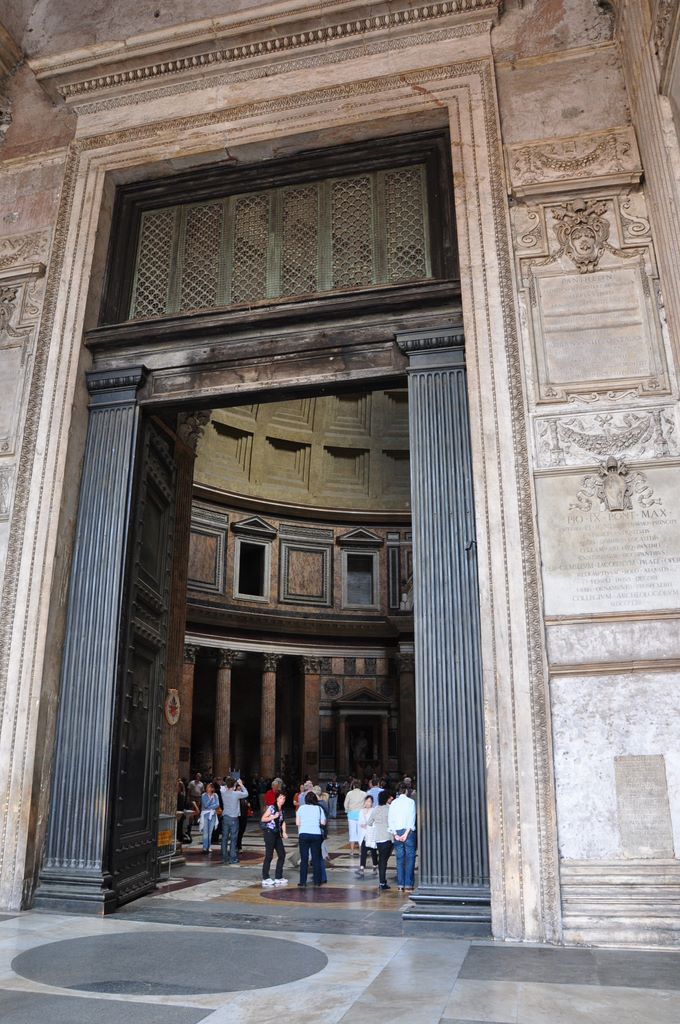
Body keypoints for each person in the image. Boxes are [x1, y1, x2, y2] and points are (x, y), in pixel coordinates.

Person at [388, 783, 416, 890]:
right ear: (406, 791)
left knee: (399, 859)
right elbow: (411, 819)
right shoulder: (411, 802)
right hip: (408, 832)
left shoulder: (393, 803)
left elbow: (390, 820)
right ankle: (408, 884)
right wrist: (406, 834)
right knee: (410, 858)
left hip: (397, 832)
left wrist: (395, 834)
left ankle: (400, 885)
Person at [296, 791, 326, 887]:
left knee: (304, 859)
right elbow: (323, 822)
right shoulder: (319, 808)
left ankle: (303, 882)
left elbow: (297, 823)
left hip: (303, 834)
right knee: (316, 858)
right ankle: (317, 881)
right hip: (316, 834)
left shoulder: (301, 808)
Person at [260, 791, 289, 886]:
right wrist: (272, 817)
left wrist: (284, 832)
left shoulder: (282, 810)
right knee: (269, 855)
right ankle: (265, 877)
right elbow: (263, 818)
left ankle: (278, 876)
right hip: (269, 833)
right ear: (277, 799)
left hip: (277, 834)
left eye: (284, 798)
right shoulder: (272, 808)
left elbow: (283, 821)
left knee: (282, 854)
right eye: (281, 798)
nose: (282, 800)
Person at [220, 775, 249, 865]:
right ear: (234, 785)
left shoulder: (223, 792)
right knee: (233, 839)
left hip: (225, 817)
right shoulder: (236, 794)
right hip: (233, 818)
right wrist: (241, 784)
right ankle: (232, 858)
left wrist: (230, 783)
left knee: (224, 838)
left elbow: (223, 786)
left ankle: (224, 858)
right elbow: (246, 793)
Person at [368, 790, 394, 890]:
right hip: (388, 837)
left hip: (378, 838)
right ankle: (382, 882)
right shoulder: (390, 809)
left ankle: (382, 882)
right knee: (384, 860)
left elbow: (369, 822)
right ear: (386, 798)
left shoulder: (375, 809)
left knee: (382, 860)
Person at [355, 794, 378, 877]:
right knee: (363, 851)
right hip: (364, 834)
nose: (368, 803)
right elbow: (359, 822)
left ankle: (375, 866)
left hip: (371, 833)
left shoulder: (374, 810)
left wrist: (368, 825)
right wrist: (362, 825)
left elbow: (375, 822)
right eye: (367, 801)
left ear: (372, 803)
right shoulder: (361, 811)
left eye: (370, 801)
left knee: (373, 851)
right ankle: (362, 868)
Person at [343, 779, 366, 856]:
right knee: (361, 833)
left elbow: (345, 804)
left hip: (351, 815)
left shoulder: (349, 793)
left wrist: (347, 810)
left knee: (352, 833)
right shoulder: (364, 794)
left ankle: (352, 851)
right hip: (361, 815)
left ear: (353, 786)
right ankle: (360, 850)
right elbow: (366, 804)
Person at [199, 782, 220, 853]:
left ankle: (209, 846)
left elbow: (217, 804)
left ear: (212, 788)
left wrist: (210, 807)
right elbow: (205, 805)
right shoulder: (203, 795)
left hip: (213, 814)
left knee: (210, 832)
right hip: (205, 814)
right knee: (205, 832)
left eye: (209, 787)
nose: (208, 788)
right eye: (207, 787)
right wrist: (211, 800)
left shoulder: (215, 795)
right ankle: (205, 847)